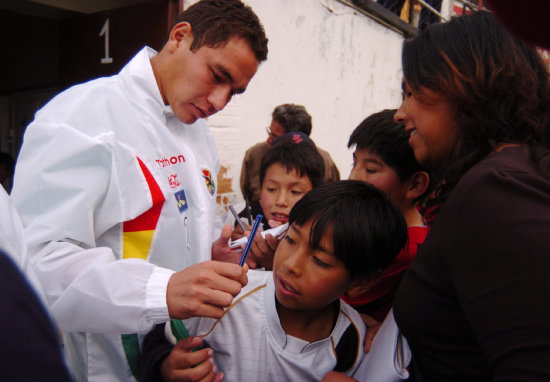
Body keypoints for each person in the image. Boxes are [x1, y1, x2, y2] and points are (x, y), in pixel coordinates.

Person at [10, 0, 268, 381]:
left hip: (173, 358)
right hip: (100, 366)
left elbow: (180, 226)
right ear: (179, 37)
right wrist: (163, 289)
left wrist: (214, 251)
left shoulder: (197, 133)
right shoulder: (81, 118)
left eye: (234, 92)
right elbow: (35, 267)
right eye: (217, 75)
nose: (218, 102)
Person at [390, 11, 550, 381]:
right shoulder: (511, 177)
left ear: (467, 87)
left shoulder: (498, 189)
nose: (400, 113)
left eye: (412, 92)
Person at [141, 180, 408, 382]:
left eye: (320, 261)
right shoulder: (227, 296)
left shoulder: (352, 342)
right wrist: (165, 366)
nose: (290, 265)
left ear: (361, 282)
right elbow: (157, 341)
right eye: (290, 240)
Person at [342, 109, 432, 322]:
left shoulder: (406, 251)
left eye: (371, 170)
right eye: (355, 163)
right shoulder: (376, 230)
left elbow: (328, 300)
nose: (353, 177)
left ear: (415, 184)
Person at [221, 132, 325, 270]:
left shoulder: (321, 232)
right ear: (260, 186)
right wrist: (232, 247)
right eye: (271, 189)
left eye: (295, 192)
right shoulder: (240, 216)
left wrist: (276, 261)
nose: (281, 201)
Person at [239, 103, 340, 202]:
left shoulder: (325, 162)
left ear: (296, 140)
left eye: (275, 138)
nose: (268, 140)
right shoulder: (254, 154)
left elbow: (332, 200)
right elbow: (248, 194)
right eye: (271, 189)